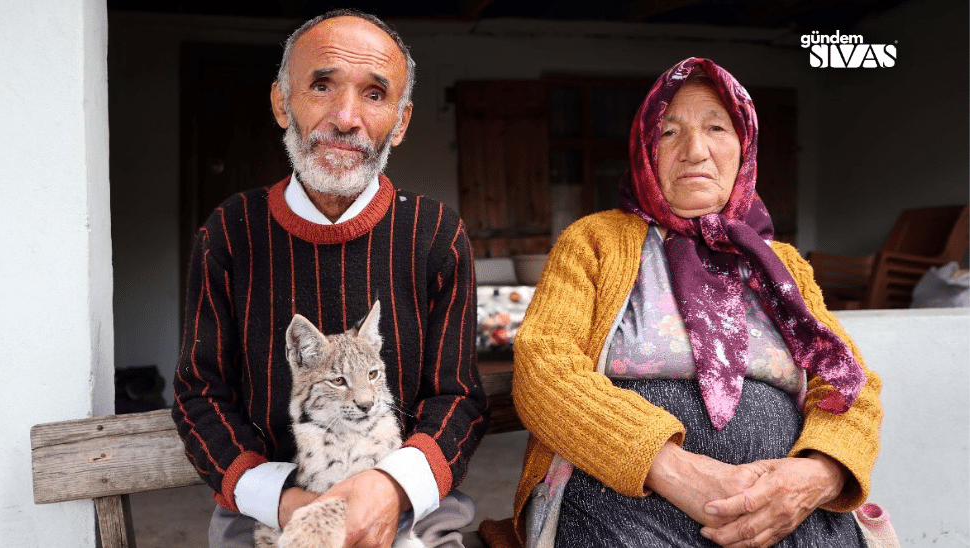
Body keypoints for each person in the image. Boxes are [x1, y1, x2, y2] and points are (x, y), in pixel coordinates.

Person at [502, 58, 883, 548]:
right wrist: (671, 468)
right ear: (645, 150)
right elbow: (543, 368)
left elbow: (851, 383)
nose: (694, 150)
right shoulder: (594, 241)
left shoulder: (781, 263)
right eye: (669, 132)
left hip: (786, 503)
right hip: (624, 493)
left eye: (717, 128)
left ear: (744, 146)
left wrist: (821, 474)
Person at [171, 10, 488, 548]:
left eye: (373, 94)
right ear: (281, 102)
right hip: (266, 515)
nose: (346, 117)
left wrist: (389, 490)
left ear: (402, 120)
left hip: (410, 511)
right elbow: (200, 394)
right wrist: (286, 501)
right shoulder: (229, 232)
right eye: (321, 85)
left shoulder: (437, 234)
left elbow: (457, 397)